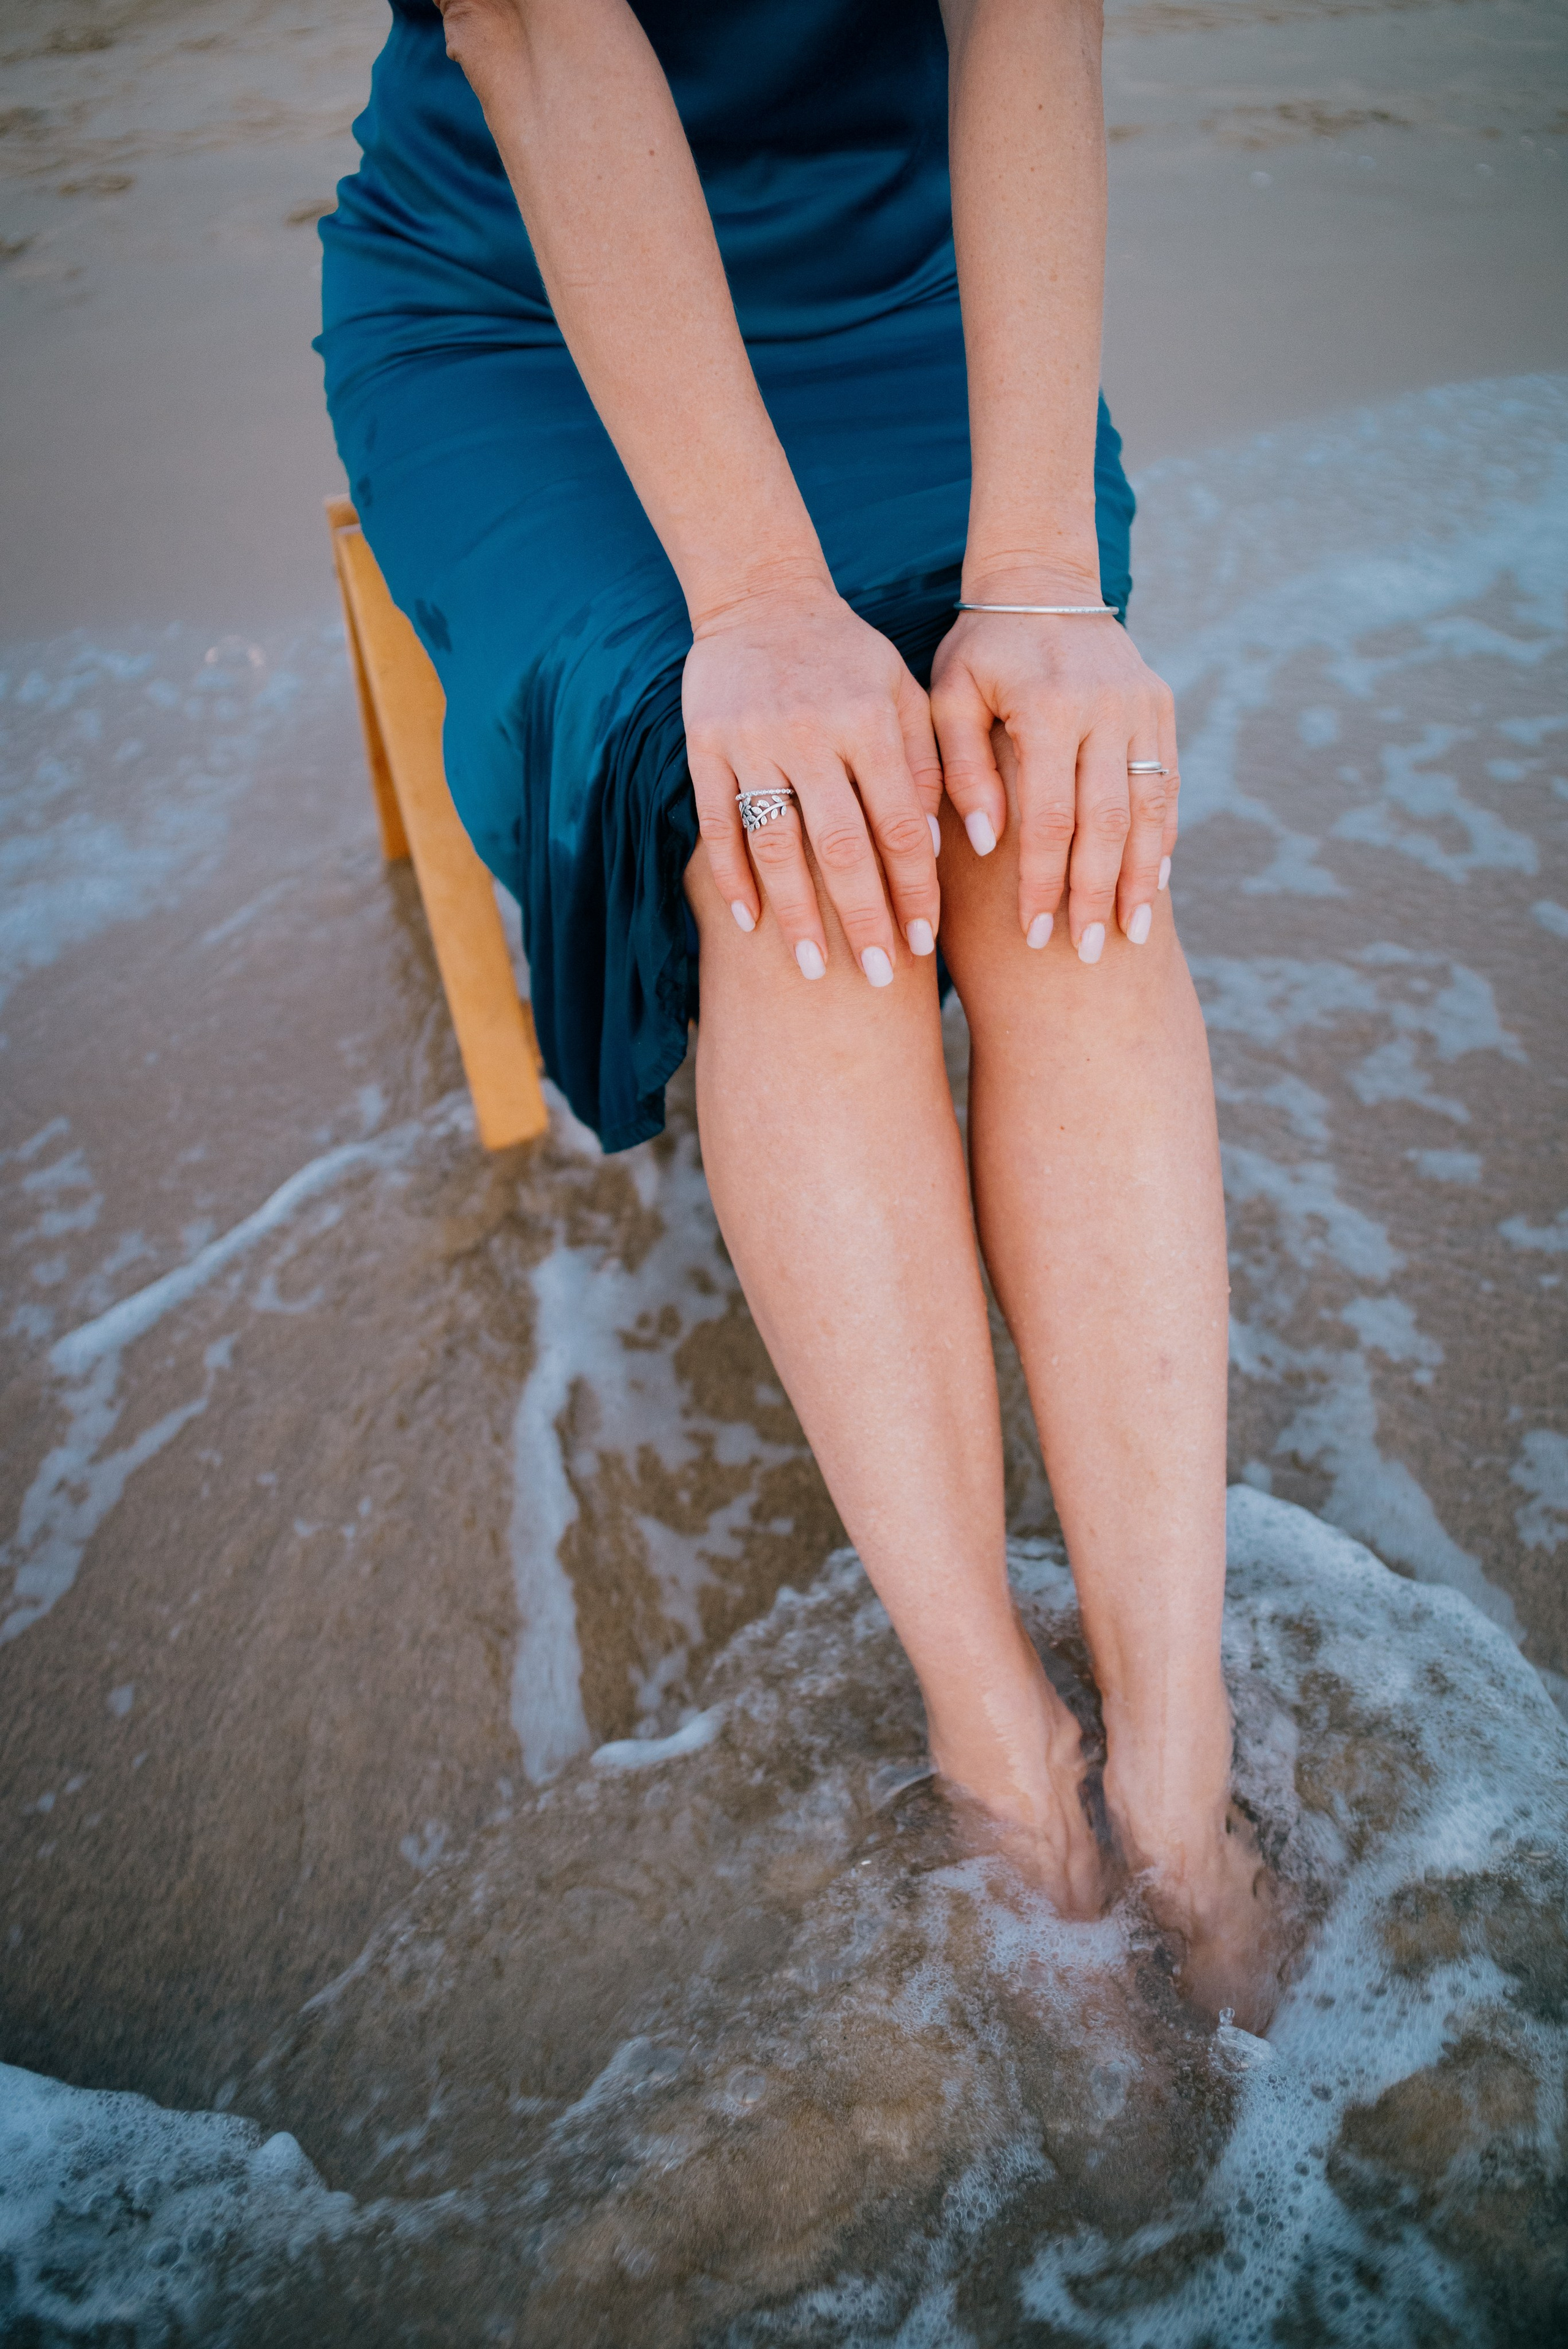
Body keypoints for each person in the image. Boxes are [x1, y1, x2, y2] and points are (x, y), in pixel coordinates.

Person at [318, 0, 1282, 2026]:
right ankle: (995, 1739)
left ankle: (1177, 1754)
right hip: (537, 289)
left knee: (1056, 859)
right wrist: (759, 606)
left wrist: (1038, 571)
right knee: (803, 875)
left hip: (919, 263)